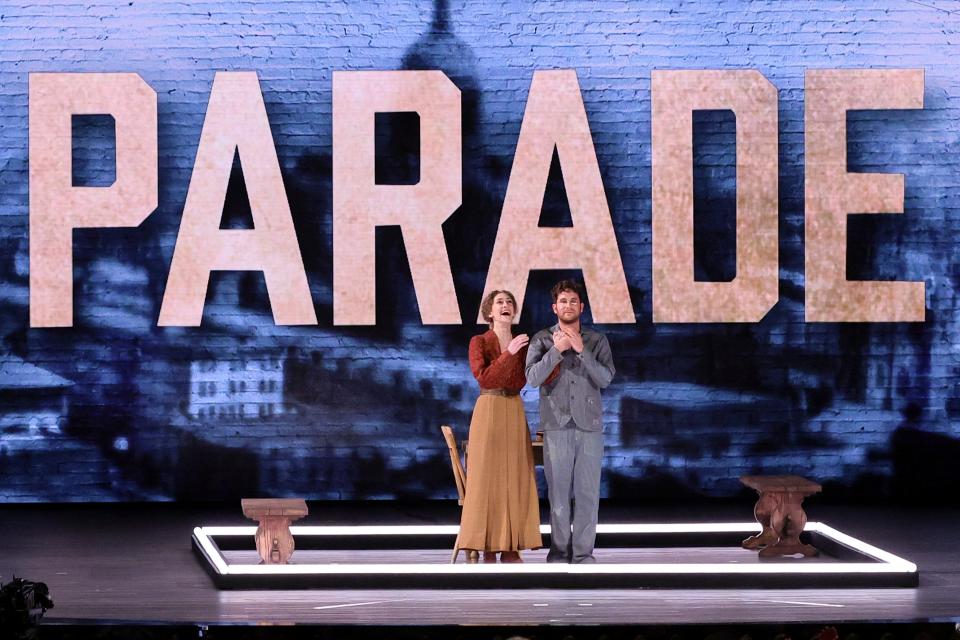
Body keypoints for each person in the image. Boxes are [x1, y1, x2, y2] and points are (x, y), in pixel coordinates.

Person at [525, 280, 614, 564]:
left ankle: (583, 552)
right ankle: (560, 551)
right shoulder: (542, 339)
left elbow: (605, 378)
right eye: (563, 301)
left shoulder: (597, 340)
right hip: (556, 425)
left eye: (573, 301)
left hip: (589, 426)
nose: (568, 306)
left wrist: (581, 350)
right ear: (555, 307)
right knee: (559, 495)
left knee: (587, 494)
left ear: (581, 307)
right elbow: (532, 378)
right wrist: (557, 351)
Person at [457, 289, 543, 563]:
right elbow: (485, 378)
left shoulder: (524, 343)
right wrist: (509, 353)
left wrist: (556, 351)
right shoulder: (479, 341)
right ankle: (487, 545)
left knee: (515, 476)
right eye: (499, 302)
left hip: (514, 407)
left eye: (509, 302)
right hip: (490, 405)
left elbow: (528, 378)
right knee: (488, 477)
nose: (505, 306)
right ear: (489, 312)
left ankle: (510, 545)